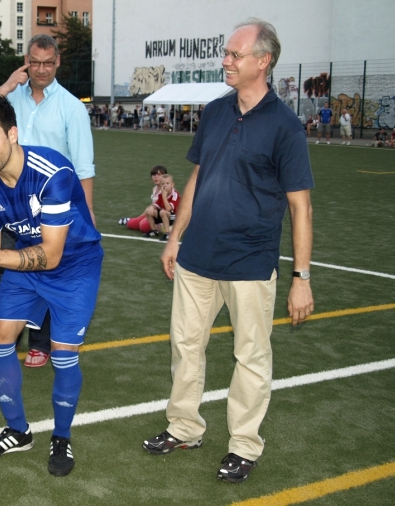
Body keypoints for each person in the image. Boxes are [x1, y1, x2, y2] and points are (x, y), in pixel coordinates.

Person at [142, 19, 314, 483]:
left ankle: (243, 446)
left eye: (235, 54)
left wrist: (301, 278)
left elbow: (300, 206)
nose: (226, 61)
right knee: (185, 345)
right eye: (226, 53)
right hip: (197, 256)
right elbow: (198, 177)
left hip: (249, 261)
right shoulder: (216, 111)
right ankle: (184, 427)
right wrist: (175, 238)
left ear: (264, 61)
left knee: (250, 357)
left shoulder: (285, 127)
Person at [0, 94, 102, 477]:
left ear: (12, 133)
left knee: (63, 354)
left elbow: (52, 255)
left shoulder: (53, 172)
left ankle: (61, 436)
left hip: (74, 265)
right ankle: (18, 430)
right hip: (26, 260)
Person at [0, 33, 96, 367]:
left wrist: (87, 213)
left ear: (58, 62)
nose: (41, 69)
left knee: (48, 267)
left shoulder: (72, 107)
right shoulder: (10, 100)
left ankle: (41, 343)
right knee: (5, 265)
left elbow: (83, 167)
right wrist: (5, 86)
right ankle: (8, 333)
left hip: (52, 206)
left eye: (48, 63)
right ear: (26, 62)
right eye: (35, 62)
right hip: (8, 202)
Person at [118, 165, 168, 234]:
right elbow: (152, 205)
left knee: (143, 227)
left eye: (159, 175)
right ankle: (133, 219)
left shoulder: (166, 190)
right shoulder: (155, 188)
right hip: (152, 214)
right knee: (130, 224)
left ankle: (163, 227)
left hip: (161, 217)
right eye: (154, 175)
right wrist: (141, 216)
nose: (156, 177)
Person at [144, 174, 180, 241]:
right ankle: (154, 231)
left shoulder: (175, 194)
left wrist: (164, 196)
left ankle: (167, 233)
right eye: (163, 184)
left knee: (163, 212)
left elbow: (168, 208)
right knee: (148, 210)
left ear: (172, 184)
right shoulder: (161, 193)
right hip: (163, 214)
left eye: (167, 183)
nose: (165, 185)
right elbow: (157, 204)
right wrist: (152, 207)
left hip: (174, 216)